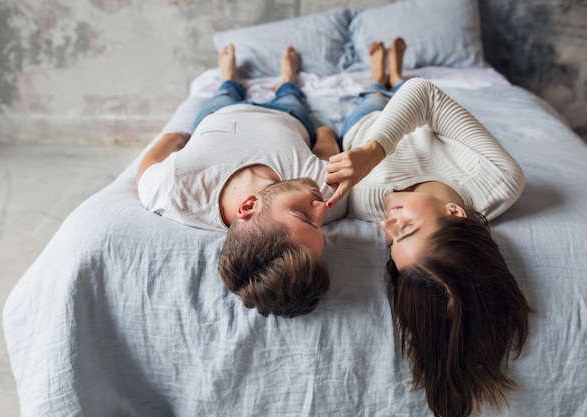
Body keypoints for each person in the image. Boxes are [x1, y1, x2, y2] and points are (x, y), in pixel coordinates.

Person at [324, 37, 533, 417]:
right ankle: (393, 74)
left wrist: (361, 144)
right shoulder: (499, 179)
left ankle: (379, 79)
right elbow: (422, 95)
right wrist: (372, 154)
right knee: (402, 87)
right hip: (394, 129)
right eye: (406, 229)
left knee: (370, 100)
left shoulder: (369, 198)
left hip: (363, 124)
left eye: (390, 241)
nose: (387, 223)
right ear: (456, 213)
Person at [136, 44, 345, 318]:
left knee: (224, 93)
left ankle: (229, 78)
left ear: (247, 207)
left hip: (221, 113)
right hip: (287, 116)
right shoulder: (326, 192)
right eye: (319, 225)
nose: (321, 208)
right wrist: (326, 133)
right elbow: (325, 152)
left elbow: (146, 169)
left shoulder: (177, 189)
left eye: (304, 216)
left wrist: (174, 140)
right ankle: (288, 80)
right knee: (291, 96)